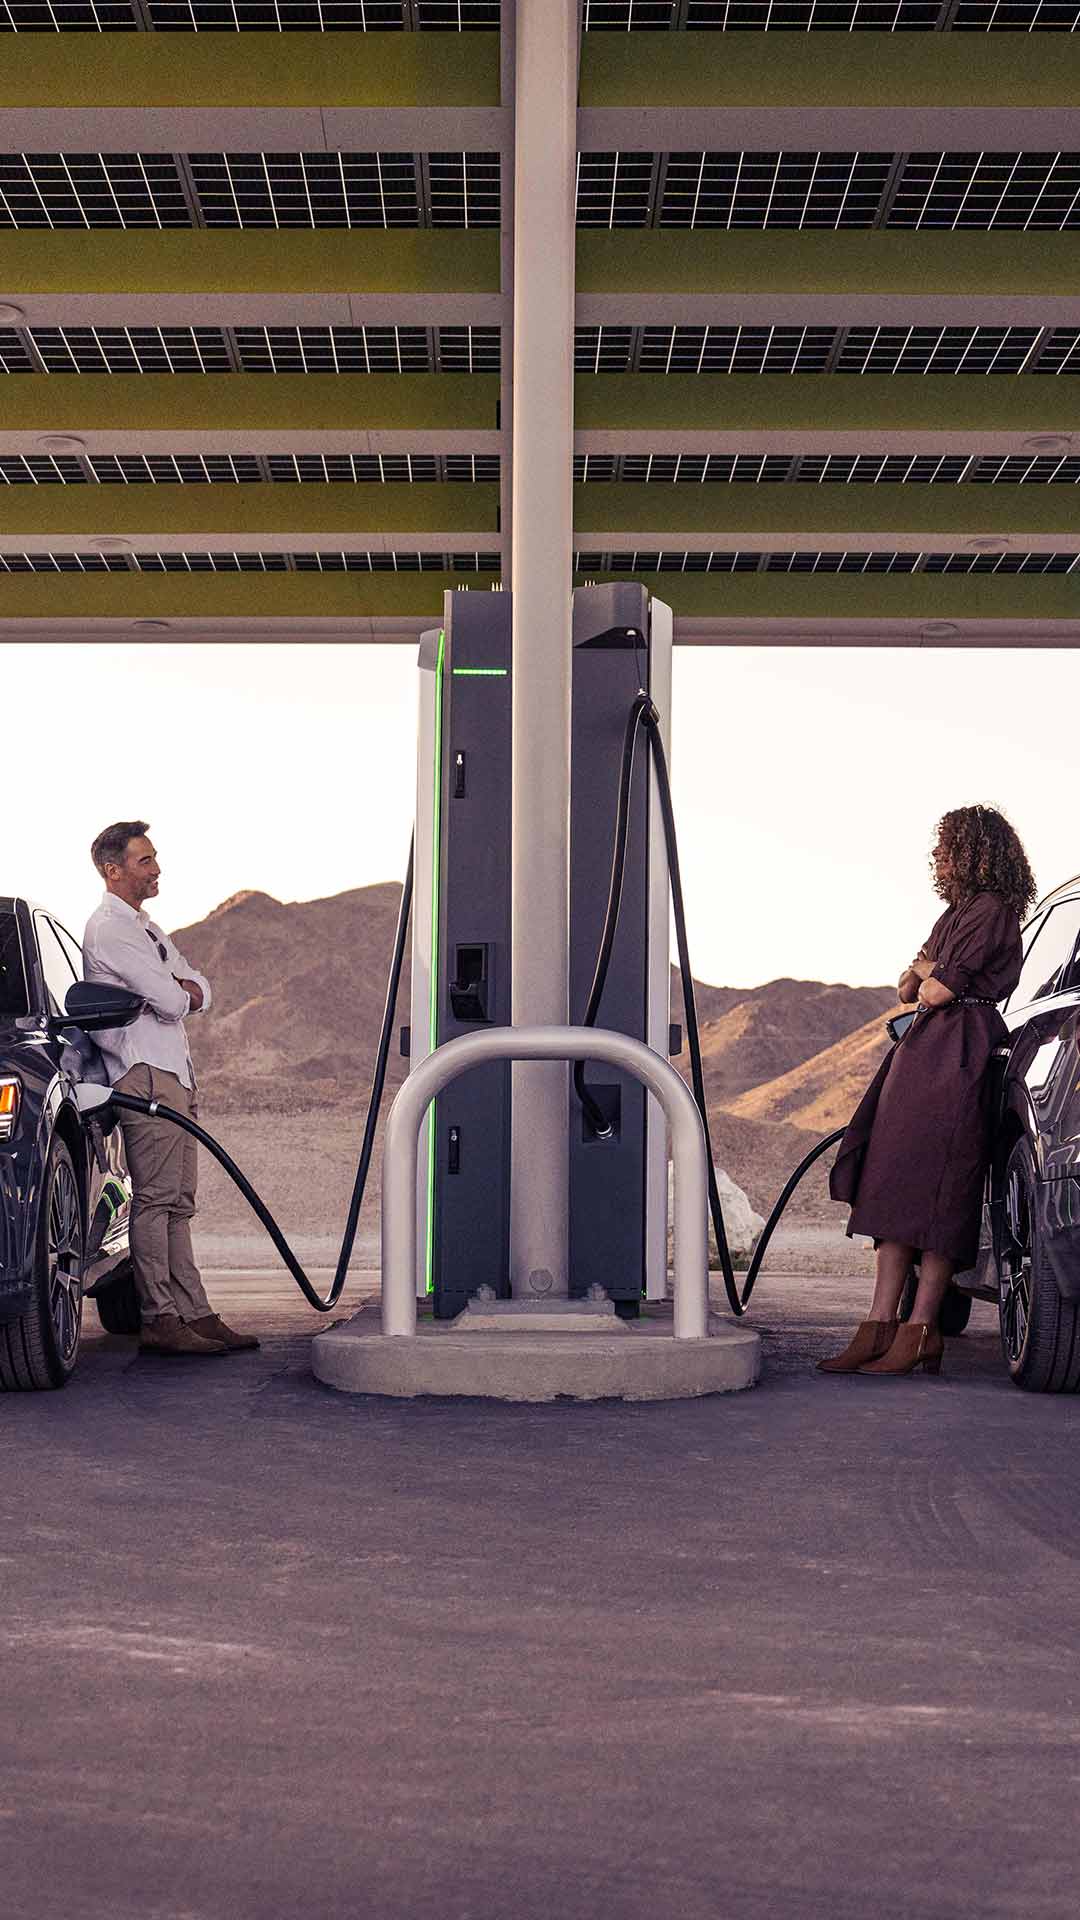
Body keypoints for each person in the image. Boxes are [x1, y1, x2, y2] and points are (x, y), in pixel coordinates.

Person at [823, 805, 1035, 1379]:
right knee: (894, 1182)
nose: (938, 858)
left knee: (941, 1189)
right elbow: (905, 988)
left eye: (946, 847)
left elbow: (935, 989)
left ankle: (920, 1330)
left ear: (975, 850)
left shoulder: (992, 911)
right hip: (924, 1053)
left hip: (960, 1052)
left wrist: (928, 972)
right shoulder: (955, 912)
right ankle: (877, 1327)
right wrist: (925, 973)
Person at [83, 821, 258, 1359]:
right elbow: (172, 998)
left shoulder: (147, 929)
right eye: (145, 861)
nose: (157, 869)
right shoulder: (110, 929)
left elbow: (199, 984)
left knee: (180, 1202)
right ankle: (159, 1317)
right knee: (156, 1200)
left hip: (175, 1073)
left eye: (155, 858)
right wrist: (183, 992)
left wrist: (185, 990)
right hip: (144, 1074)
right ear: (114, 871)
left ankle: (196, 1314)